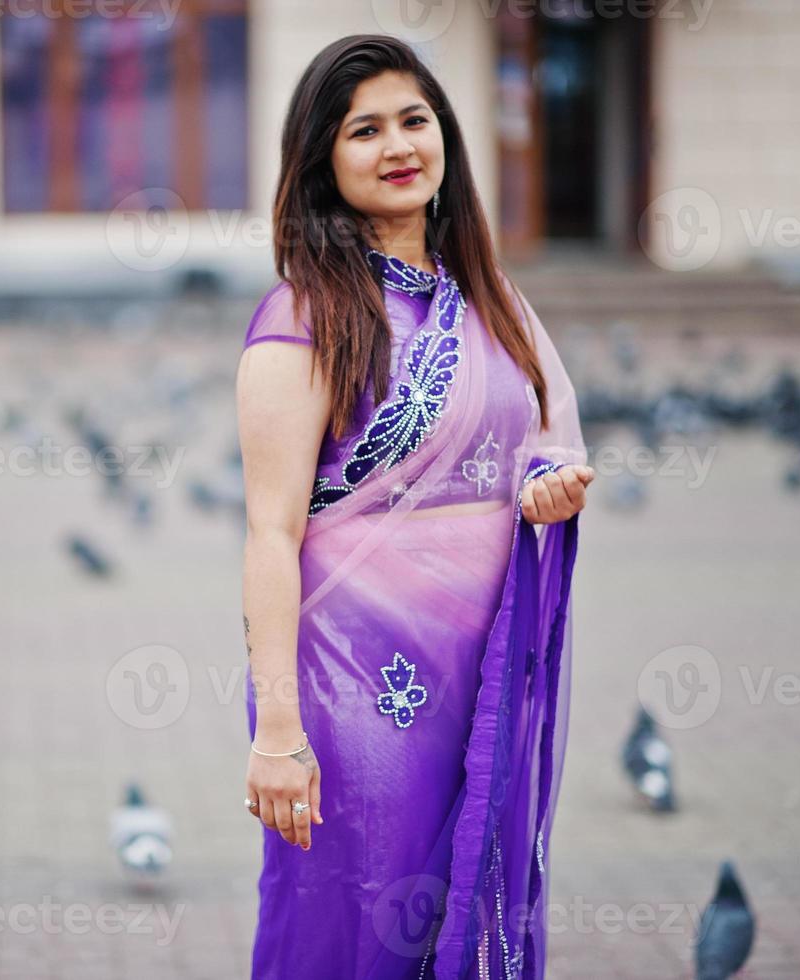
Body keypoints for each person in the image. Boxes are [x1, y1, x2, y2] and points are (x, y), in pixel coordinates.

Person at [237, 35, 595, 979]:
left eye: (413, 119)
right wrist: (278, 733)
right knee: (357, 929)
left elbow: (540, 447)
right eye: (364, 129)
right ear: (323, 158)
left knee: (458, 921)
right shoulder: (302, 316)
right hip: (353, 688)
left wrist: (545, 495)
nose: (397, 145)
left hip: (479, 675)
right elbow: (270, 533)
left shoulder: (491, 301)